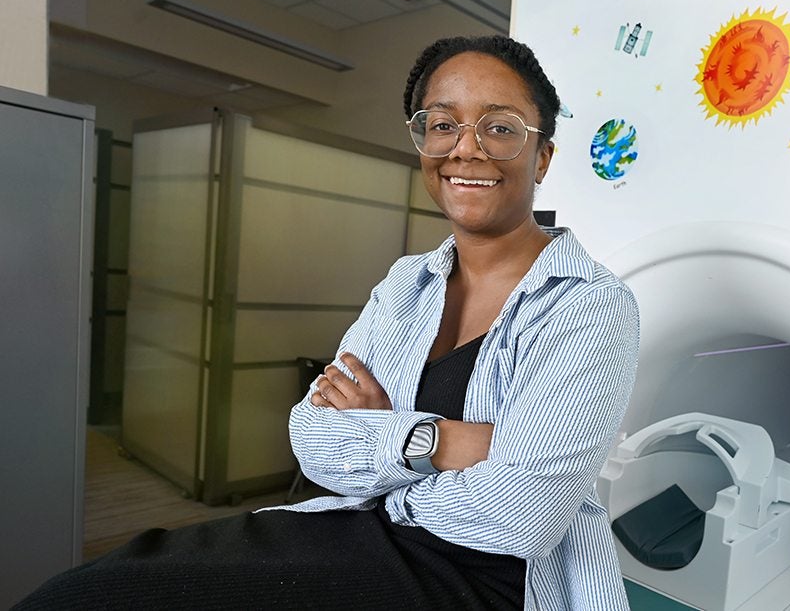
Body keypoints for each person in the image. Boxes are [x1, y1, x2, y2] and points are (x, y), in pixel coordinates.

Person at [16, 35, 640, 610]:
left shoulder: (589, 304)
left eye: (500, 128)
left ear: (543, 157)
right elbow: (313, 438)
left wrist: (380, 446)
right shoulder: (406, 284)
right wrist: (441, 442)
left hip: (486, 585)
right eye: (442, 124)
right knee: (101, 585)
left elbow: (520, 515)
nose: (466, 148)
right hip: (358, 532)